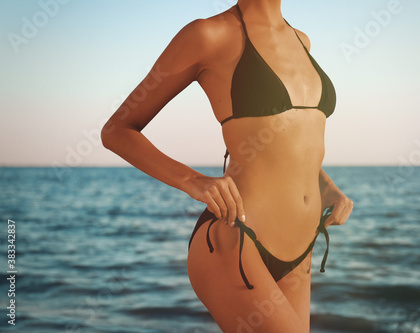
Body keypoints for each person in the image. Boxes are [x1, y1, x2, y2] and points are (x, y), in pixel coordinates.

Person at [101, 0, 353, 331]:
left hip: (302, 244)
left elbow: (289, 140)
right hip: (237, 239)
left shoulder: (301, 40)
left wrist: (327, 187)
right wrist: (192, 181)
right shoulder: (208, 35)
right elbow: (117, 130)